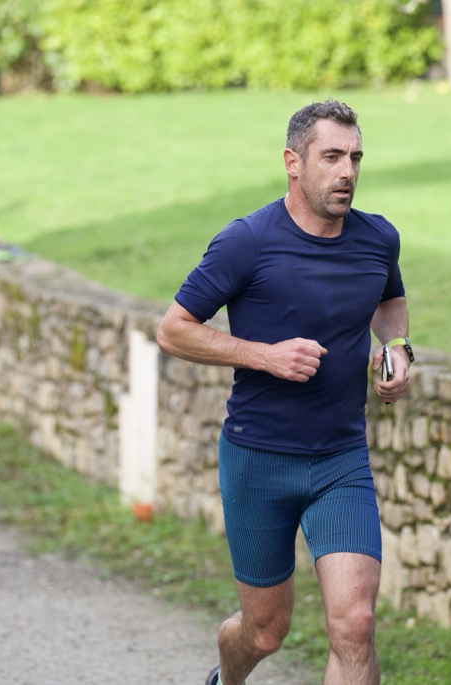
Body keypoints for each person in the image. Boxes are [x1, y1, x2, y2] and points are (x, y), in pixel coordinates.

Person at [154, 100, 412, 685]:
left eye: (355, 158)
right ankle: (226, 678)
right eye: (332, 157)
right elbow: (173, 330)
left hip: (341, 459)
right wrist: (263, 355)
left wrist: (398, 347)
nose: (347, 171)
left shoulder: (378, 238)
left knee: (355, 625)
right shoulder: (246, 241)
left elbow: (389, 300)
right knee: (264, 632)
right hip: (258, 460)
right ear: (293, 162)